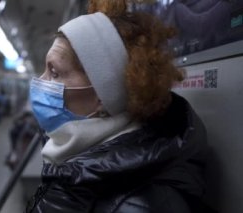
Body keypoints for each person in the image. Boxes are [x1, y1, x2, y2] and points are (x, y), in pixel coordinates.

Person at [26, 0, 211, 212]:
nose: (41, 81)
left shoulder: (138, 205)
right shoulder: (69, 154)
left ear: (102, 94)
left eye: (55, 72)